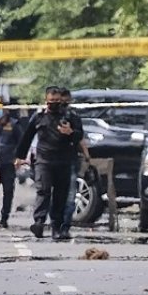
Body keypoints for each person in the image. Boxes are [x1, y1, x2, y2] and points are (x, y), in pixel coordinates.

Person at [15, 86, 84, 240]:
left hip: (64, 161)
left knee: (60, 195)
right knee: (43, 191)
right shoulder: (38, 117)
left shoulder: (70, 117)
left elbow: (80, 136)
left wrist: (70, 133)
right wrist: (19, 157)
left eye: (57, 101)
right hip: (43, 161)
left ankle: (56, 227)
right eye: (51, 101)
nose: (54, 104)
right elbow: (27, 137)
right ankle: (39, 222)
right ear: (46, 101)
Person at [0, 109, 24, 228]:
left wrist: (19, 157)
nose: (0, 121)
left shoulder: (14, 125)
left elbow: (21, 142)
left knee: (8, 191)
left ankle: (4, 217)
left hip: (8, 163)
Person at [59, 88, 91, 235]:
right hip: (51, 160)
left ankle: (64, 227)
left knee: (70, 196)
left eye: (66, 100)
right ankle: (55, 225)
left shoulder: (74, 117)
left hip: (70, 160)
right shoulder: (46, 116)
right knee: (53, 195)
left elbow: (80, 136)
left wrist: (71, 132)